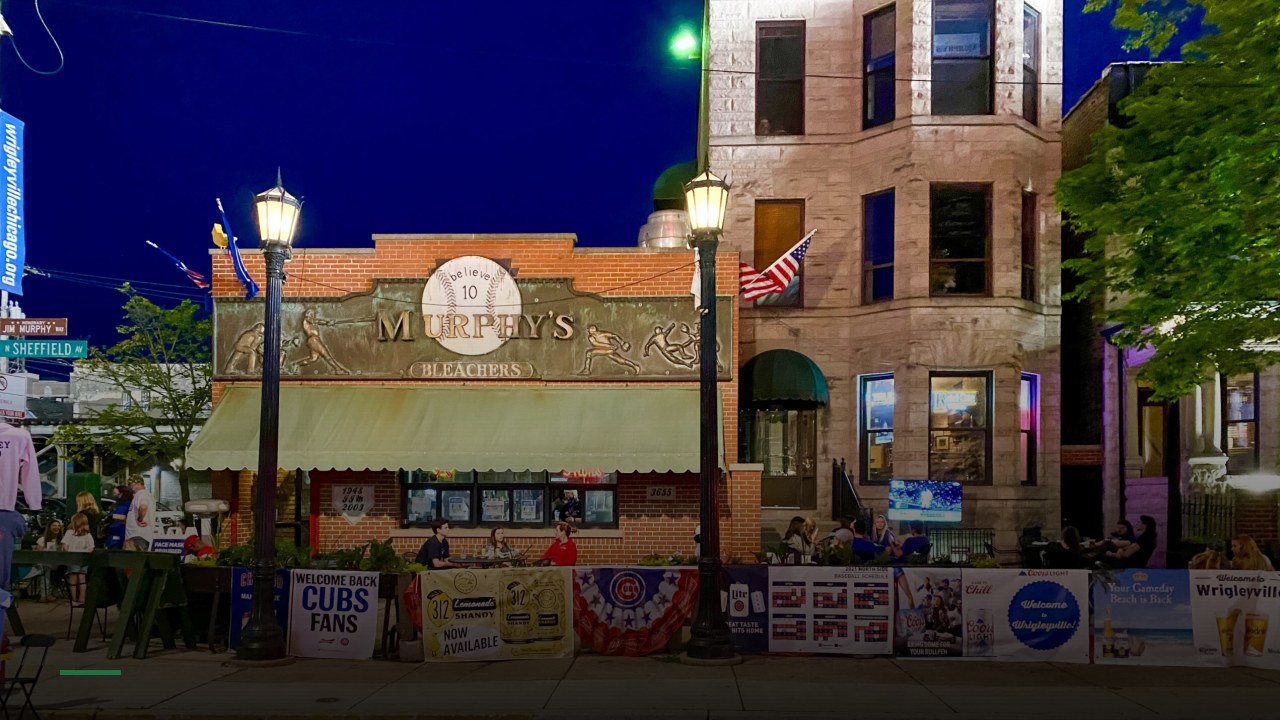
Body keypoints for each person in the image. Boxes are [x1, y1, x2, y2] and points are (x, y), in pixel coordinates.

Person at [61, 512, 95, 605]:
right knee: (82, 578)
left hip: (73, 558)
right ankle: (82, 598)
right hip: (84, 558)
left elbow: (65, 545)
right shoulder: (88, 534)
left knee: (73, 578)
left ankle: (73, 599)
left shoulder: (70, 532)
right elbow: (91, 548)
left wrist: (67, 554)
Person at [125, 475, 156, 550]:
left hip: (137, 535)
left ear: (139, 483)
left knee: (134, 559)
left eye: (131, 484)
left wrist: (139, 519)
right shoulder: (145, 495)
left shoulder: (141, 494)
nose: (130, 486)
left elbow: (143, 507)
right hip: (140, 535)